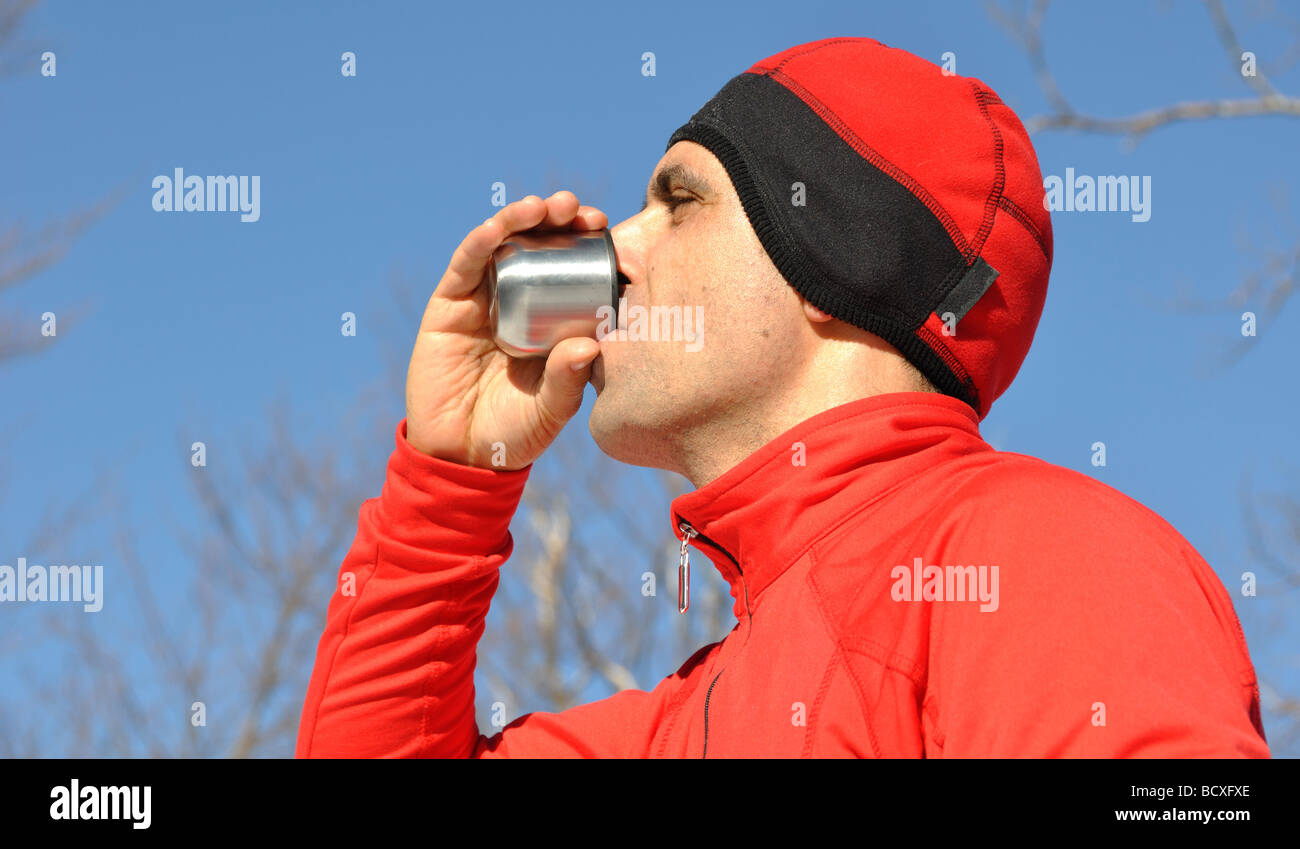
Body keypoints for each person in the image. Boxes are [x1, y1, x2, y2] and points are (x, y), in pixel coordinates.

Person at [295, 37, 1270, 757]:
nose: (611, 251)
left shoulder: (1029, 551)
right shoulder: (672, 723)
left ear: (836, 259)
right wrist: (449, 484)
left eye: (678, 201)